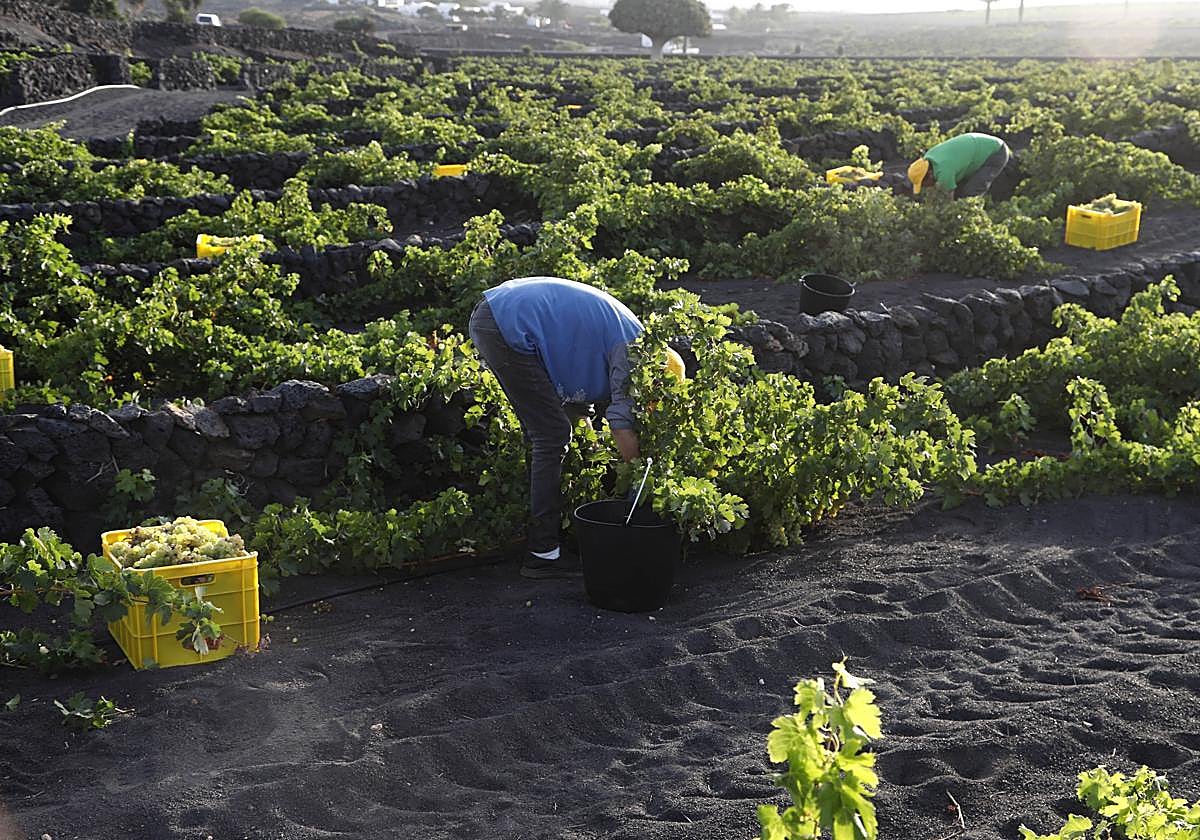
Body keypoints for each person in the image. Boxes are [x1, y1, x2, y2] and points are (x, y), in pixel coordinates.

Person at [468, 277, 684, 580]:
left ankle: (545, 532)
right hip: (508, 322)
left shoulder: (624, 345)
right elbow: (621, 424)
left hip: (503, 311)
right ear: (656, 377)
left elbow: (578, 407)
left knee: (549, 428)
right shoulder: (635, 353)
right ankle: (543, 554)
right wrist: (638, 481)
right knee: (552, 435)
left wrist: (594, 454)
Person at [908, 132, 1012, 199]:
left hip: (995, 152)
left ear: (929, 174)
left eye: (924, 184)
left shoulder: (944, 172)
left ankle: (974, 221)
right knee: (960, 192)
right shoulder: (929, 158)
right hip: (977, 145)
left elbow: (949, 204)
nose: (925, 187)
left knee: (969, 195)